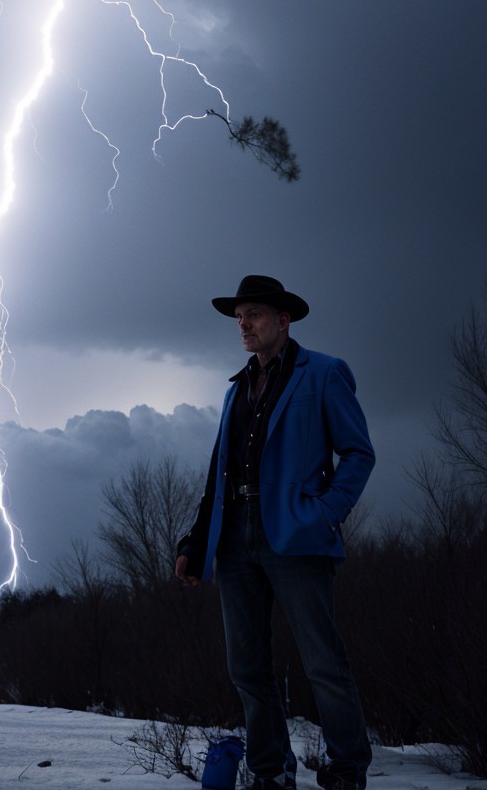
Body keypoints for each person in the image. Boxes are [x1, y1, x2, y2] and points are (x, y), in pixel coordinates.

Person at [175, 273, 375, 790]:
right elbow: (219, 472)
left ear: (283, 320)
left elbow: (358, 453)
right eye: (239, 317)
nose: (244, 325)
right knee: (246, 665)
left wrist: (325, 513)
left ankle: (349, 768)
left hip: (296, 532)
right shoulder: (236, 388)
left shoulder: (324, 373)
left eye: (255, 315)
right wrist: (196, 542)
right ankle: (271, 770)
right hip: (235, 537)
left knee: (322, 661)